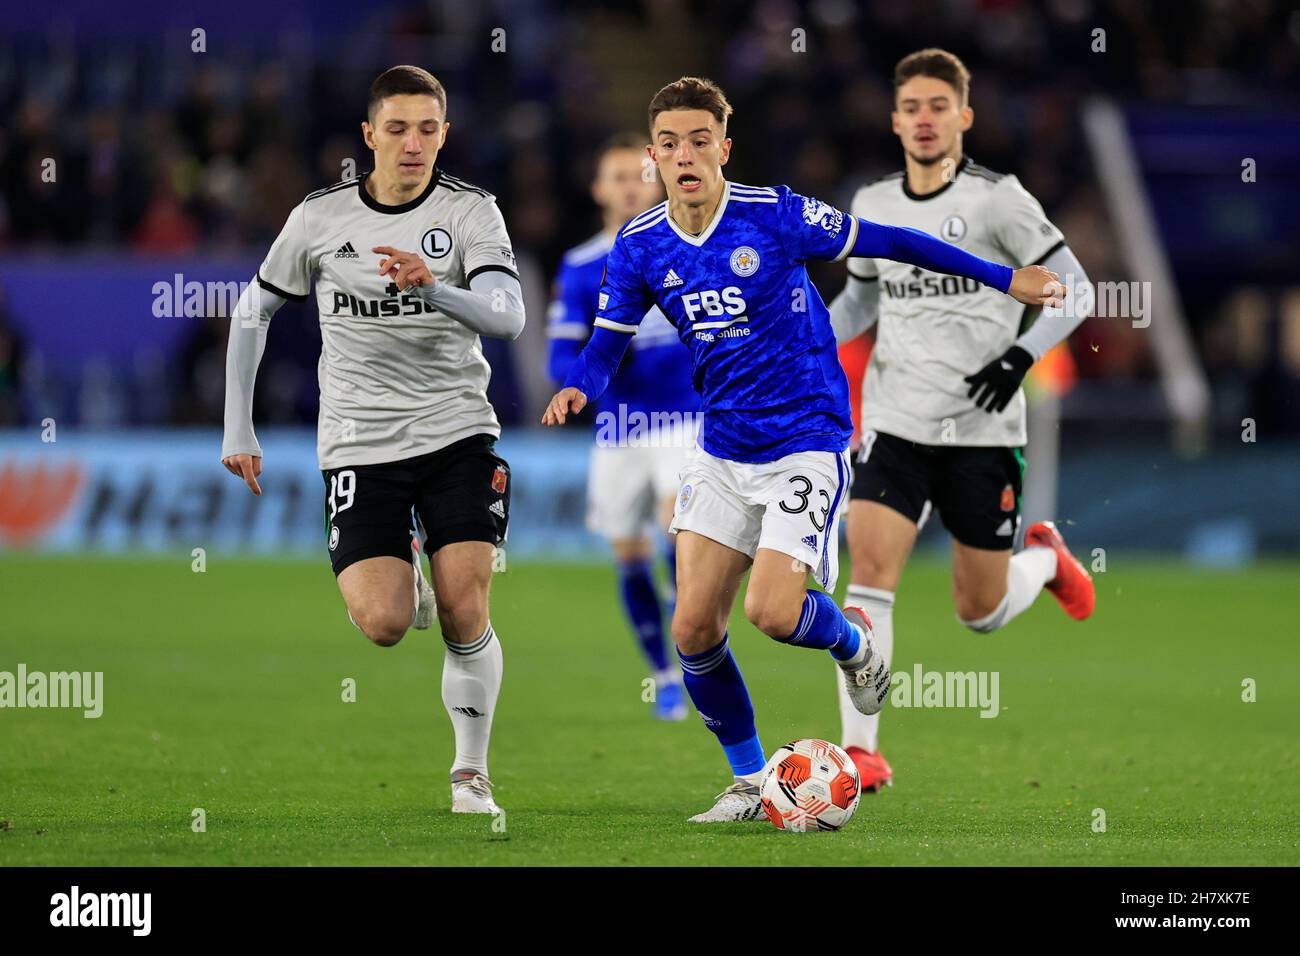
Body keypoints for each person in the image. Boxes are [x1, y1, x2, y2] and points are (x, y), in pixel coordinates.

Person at [543, 76, 1063, 822]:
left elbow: (890, 242)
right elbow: (605, 342)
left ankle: (855, 646)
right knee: (693, 627)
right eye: (668, 143)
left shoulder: (776, 215)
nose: (683, 155)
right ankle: (752, 783)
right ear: (653, 157)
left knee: (774, 613)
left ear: (724, 147)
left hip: (805, 440)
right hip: (720, 446)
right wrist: (581, 389)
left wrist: (1005, 277)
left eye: (698, 140)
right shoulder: (640, 243)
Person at [221, 65, 525, 815]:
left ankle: (470, 772)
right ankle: (405, 580)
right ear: (369, 135)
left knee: (466, 607)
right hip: (359, 442)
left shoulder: (470, 212)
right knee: (385, 623)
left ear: (445, 133)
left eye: (428, 128)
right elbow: (252, 311)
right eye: (397, 128)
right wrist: (238, 423)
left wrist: (434, 287)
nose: (413, 142)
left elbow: (508, 316)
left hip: (458, 431)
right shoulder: (320, 218)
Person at [829, 49, 1098, 793]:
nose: (923, 119)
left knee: (977, 612)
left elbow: (1074, 291)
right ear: (893, 120)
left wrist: (1020, 357)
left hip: (983, 429)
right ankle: (862, 751)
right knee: (870, 577)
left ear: (964, 118)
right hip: (894, 421)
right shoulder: (872, 204)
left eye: (937, 107)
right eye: (911, 107)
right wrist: (810, 334)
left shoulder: (1000, 200)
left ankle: (1043, 559)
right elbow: (860, 301)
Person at [547, 133, 700, 721]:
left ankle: (694, 647)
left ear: (659, 179)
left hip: (685, 418)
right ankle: (664, 674)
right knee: (628, 551)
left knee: (676, 527)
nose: (631, 185)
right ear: (598, 189)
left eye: (640, 174)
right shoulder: (582, 265)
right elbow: (558, 358)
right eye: (617, 176)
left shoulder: (689, 246)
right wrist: (596, 370)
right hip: (620, 427)